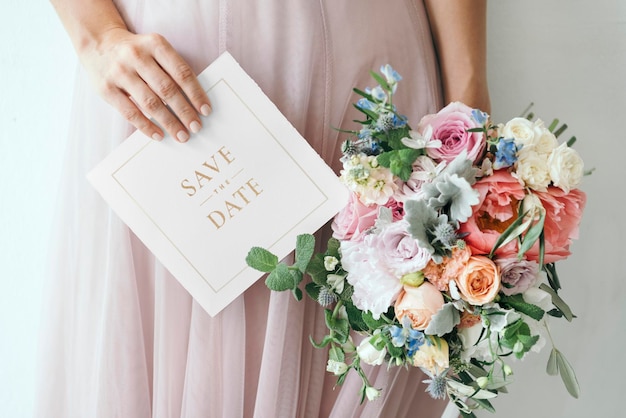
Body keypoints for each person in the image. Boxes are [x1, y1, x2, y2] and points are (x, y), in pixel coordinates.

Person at [36, 1, 490, 417]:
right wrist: (97, 36)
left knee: (376, 330)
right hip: (172, 75)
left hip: (371, 66)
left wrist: (468, 102)